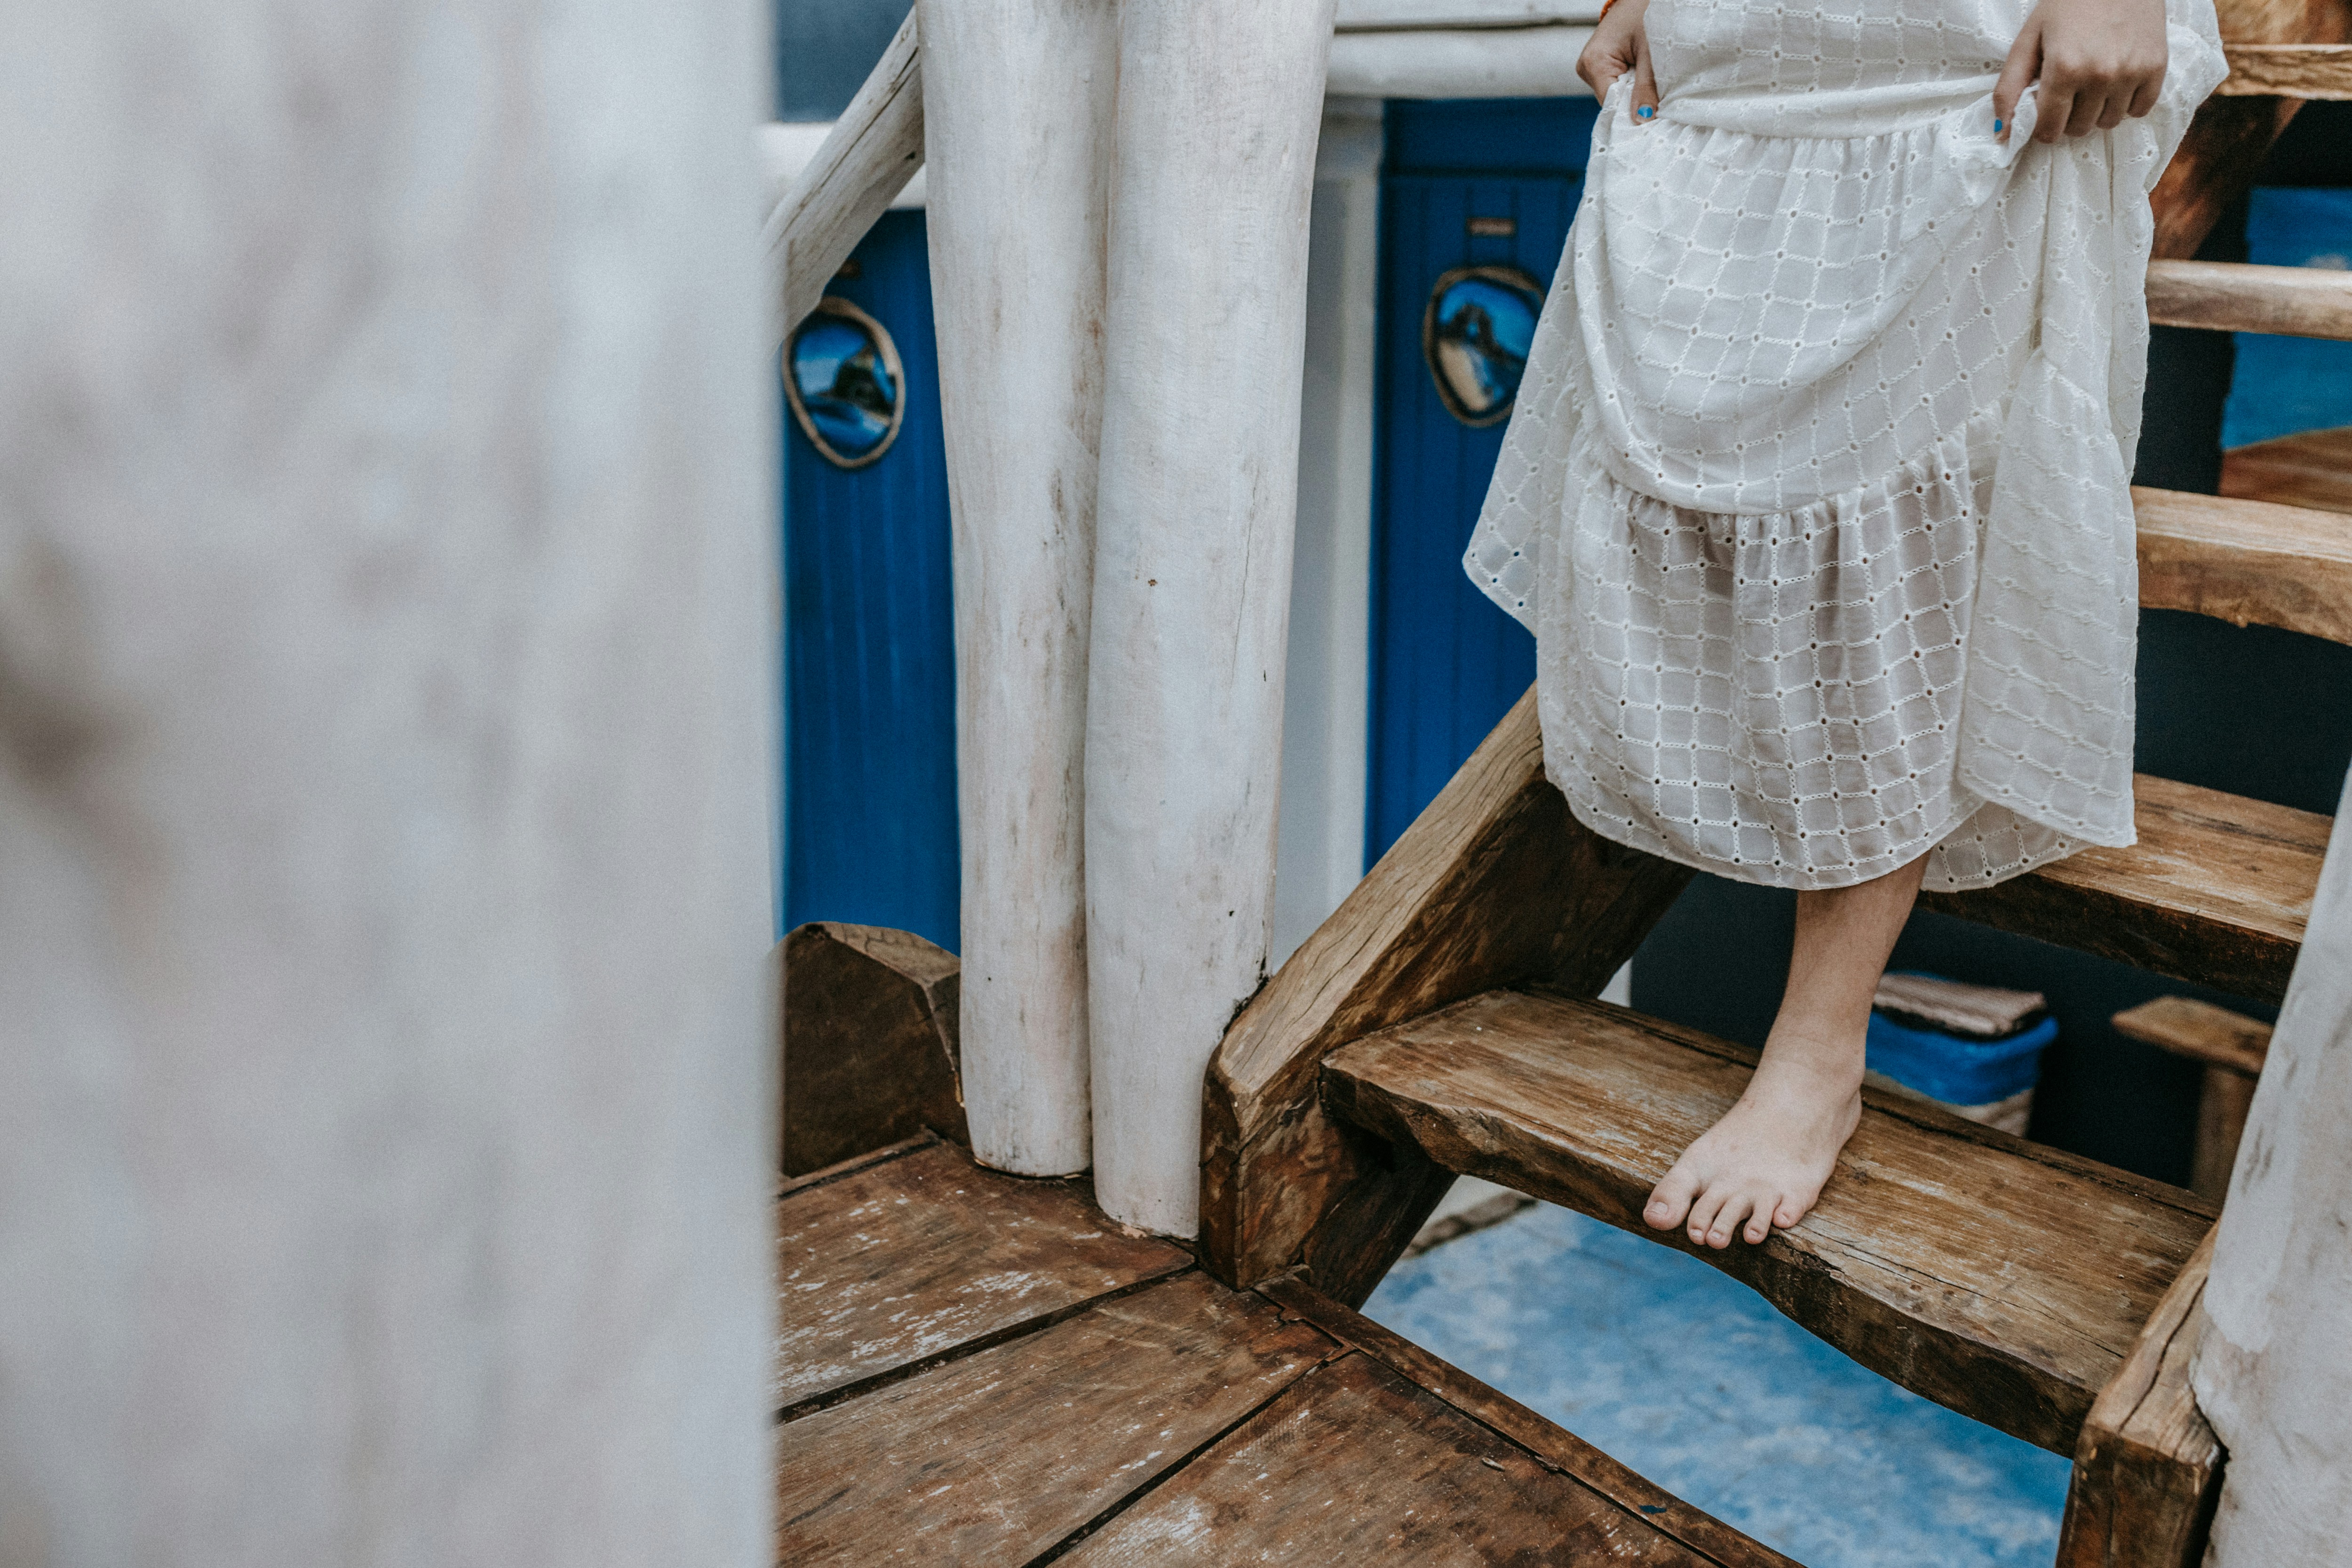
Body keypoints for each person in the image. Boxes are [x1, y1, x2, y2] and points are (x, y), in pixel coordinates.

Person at [1462, 0, 2226, 1250]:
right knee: (1700, 434)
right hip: (1747, 43)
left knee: (1907, 524)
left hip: (1967, 46)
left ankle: (1821, 1043)